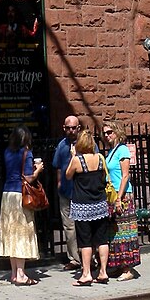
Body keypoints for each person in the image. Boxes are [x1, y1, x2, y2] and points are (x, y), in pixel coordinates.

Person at [0, 125, 43, 286]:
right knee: (22, 233)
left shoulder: (7, 152)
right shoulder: (27, 153)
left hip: (7, 195)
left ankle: (14, 273)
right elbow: (29, 178)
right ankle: (22, 274)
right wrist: (38, 170)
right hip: (20, 196)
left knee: (11, 233)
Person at [66, 127, 110, 286]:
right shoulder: (100, 157)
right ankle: (103, 272)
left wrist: (73, 157)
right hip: (100, 203)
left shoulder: (78, 160)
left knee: (85, 241)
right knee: (102, 240)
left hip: (82, 205)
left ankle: (86, 274)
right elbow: (103, 176)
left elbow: (68, 175)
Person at [103, 119, 141, 280]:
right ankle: (119, 265)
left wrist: (119, 198)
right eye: (104, 133)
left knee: (125, 232)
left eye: (109, 132)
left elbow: (126, 175)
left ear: (117, 132)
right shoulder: (111, 151)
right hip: (112, 195)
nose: (106, 136)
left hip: (123, 195)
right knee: (115, 233)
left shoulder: (123, 150)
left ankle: (128, 269)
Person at [52, 114, 81, 271]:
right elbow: (57, 166)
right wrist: (59, 183)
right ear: (64, 128)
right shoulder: (61, 145)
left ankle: (87, 257)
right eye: (68, 128)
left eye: (73, 128)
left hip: (82, 192)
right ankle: (74, 258)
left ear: (79, 128)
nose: (71, 131)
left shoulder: (85, 144)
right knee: (69, 227)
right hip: (66, 191)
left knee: (84, 226)